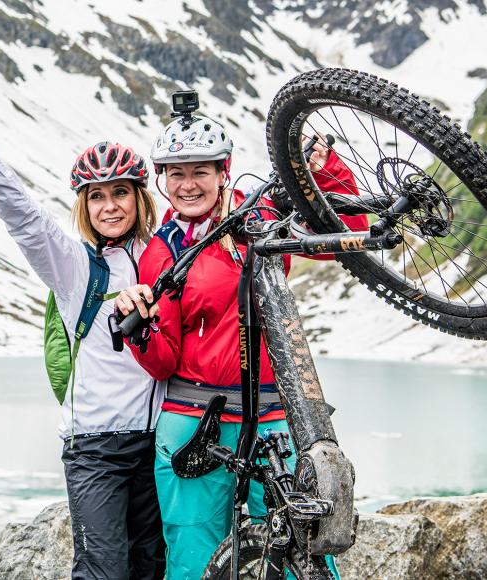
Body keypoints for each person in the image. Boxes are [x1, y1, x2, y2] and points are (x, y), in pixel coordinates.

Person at [115, 110, 368, 579]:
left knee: (304, 550)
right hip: (195, 427)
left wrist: (324, 167)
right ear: (163, 179)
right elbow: (163, 360)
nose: (188, 185)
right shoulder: (162, 252)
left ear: (223, 171)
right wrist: (142, 330)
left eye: (200, 171)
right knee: (193, 558)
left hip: (275, 418)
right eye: (176, 174)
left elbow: (343, 233)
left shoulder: (260, 220)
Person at [0, 89, 165, 579]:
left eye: (121, 192)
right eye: (97, 197)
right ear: (85, 206)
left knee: (152, 569)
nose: (110, 206)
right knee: (102, 571)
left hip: (157, 444)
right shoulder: (74, 267)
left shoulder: (162, 256)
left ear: (139, 197)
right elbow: (25, 220)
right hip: (96, 449)